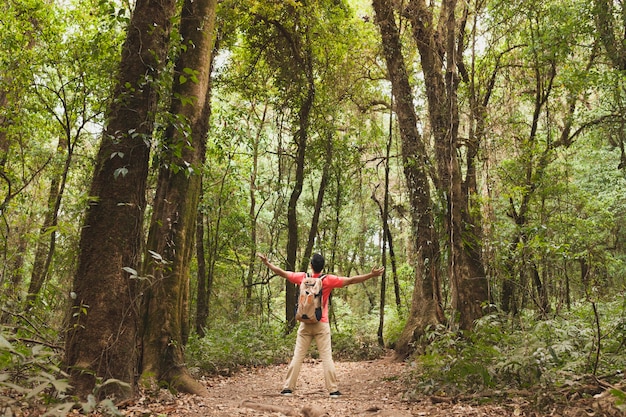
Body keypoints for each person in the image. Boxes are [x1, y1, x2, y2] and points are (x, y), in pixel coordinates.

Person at [257, 252, 384, 398]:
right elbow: (351, 280)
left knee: (297, 356)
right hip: (321, 323)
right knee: (326, 357)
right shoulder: (328, 280)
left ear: (311, 265)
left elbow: (283, 273)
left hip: (304, 323)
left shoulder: (303, 278)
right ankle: (333, 390)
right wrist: (371, 275)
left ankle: (288, 388)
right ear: (323, 267)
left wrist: (267, 263)